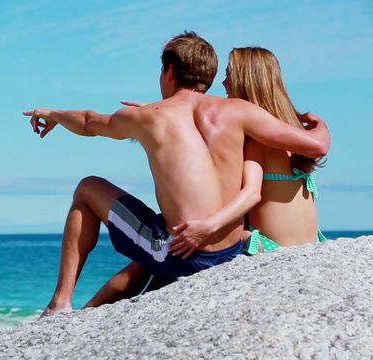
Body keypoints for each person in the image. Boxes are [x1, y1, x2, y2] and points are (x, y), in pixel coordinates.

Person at [23, 31, 330, 316]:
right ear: (208, 76)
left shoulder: (148, 118)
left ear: (169, 71)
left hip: (186, 256)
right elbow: (316, 146)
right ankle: (95, 311)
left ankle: (59, 305)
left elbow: (89, 122)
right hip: (234, 250)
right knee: (148, 252)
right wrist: (319, 124)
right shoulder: (240, 111)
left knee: (87, 188)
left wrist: (52, 114)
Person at [167, 47, 327, 256]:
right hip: (313, 242)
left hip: (270, 247)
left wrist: (207, 227)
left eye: (228, 75)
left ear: (245, 82)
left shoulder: (257, 140)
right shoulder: (294, 132)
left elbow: (251, 193)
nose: (223, 83)